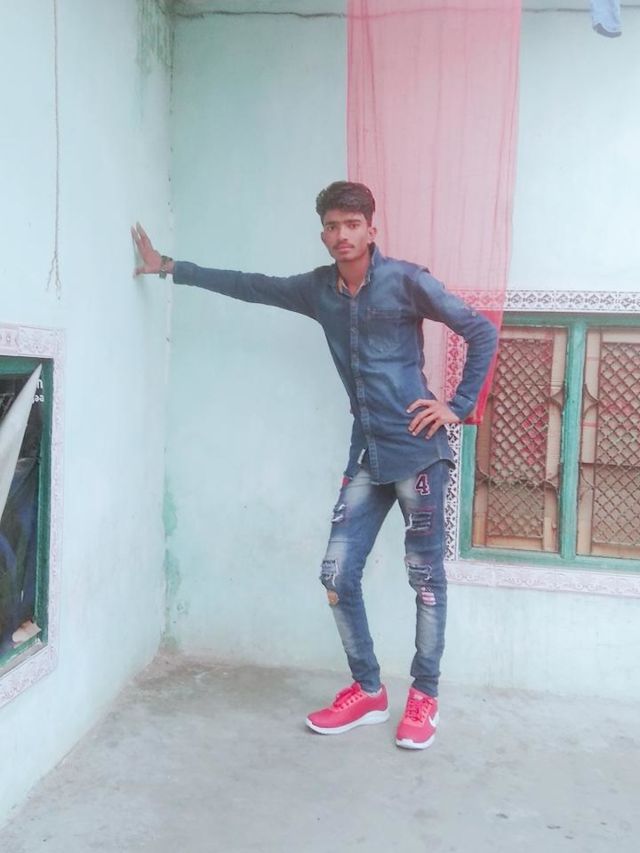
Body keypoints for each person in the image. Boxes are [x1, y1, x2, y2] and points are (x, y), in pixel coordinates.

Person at [132, 181, 497, 750]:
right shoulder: (318, 290)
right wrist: (170, 267)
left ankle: (424, 696)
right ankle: (369, 690)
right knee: (336, 575)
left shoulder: (407, 281)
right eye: (332, 226)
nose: (341, 234)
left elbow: (480, 329)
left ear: (371, 229)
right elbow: (251, 285)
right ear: (323, 233)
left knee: (425, 580)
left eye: (352, 224)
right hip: (368, 453)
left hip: (419, 454)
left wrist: (458, 404)